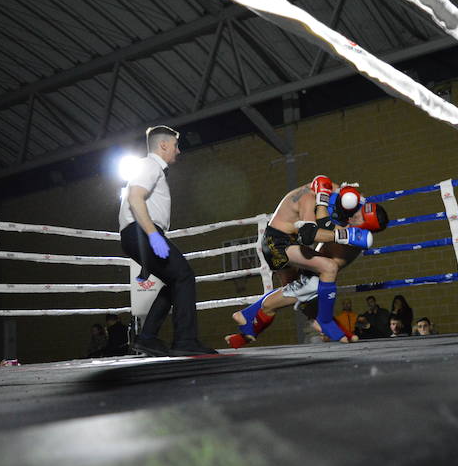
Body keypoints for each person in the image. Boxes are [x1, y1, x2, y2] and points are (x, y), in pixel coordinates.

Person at [228, 176, 388, 347]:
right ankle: (324, 321)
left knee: (299, 291)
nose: (353, 216)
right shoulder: (309, 200)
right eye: (357, 215)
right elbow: (309, 235)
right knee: (325, 271)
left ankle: (248, 330)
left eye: (359, 215)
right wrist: (345, 235)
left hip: (289, 241)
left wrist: (351, 226)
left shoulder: (337, 194)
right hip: (278, 244)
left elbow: (333, 210)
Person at [119, 125, 216, 357]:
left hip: (139, 232)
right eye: (175, 145)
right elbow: (135, 197)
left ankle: (147, 338)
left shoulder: (152, 168)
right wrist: (153, 235)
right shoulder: (150, 165)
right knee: (184, 276)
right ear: (163, 145)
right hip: (141, 232)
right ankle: (185, 340)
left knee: (175, 281)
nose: (178, 151)